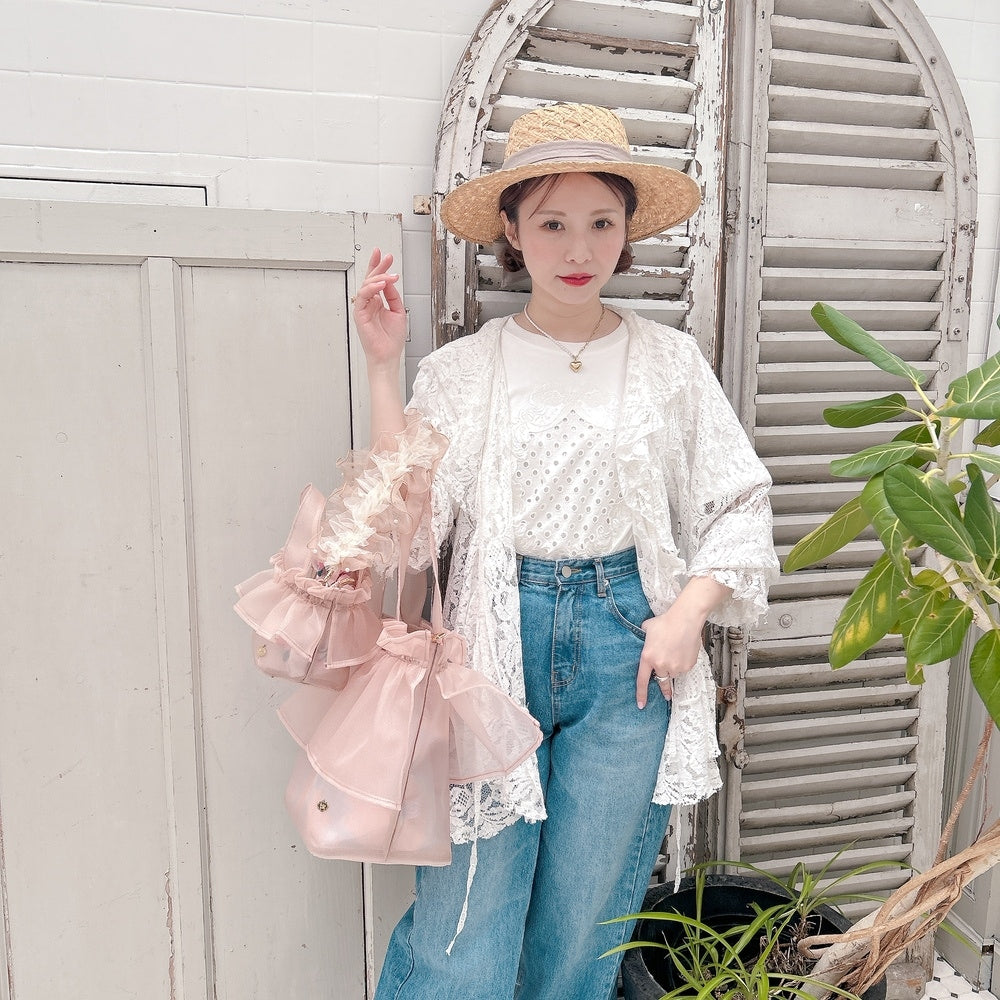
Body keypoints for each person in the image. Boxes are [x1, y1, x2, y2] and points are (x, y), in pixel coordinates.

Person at [352, 103, 779, 1000]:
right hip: (494, 639)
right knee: (467, 920)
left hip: (631, 646)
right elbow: (408, 528)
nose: (578, 248)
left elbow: (740, 498)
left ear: (627, 230)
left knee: (586, 916)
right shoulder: (463, 370)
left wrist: (687, 615)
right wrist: (385, 367)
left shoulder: (669, 362)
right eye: (551, 223)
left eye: (601, 222)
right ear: (511, 231)